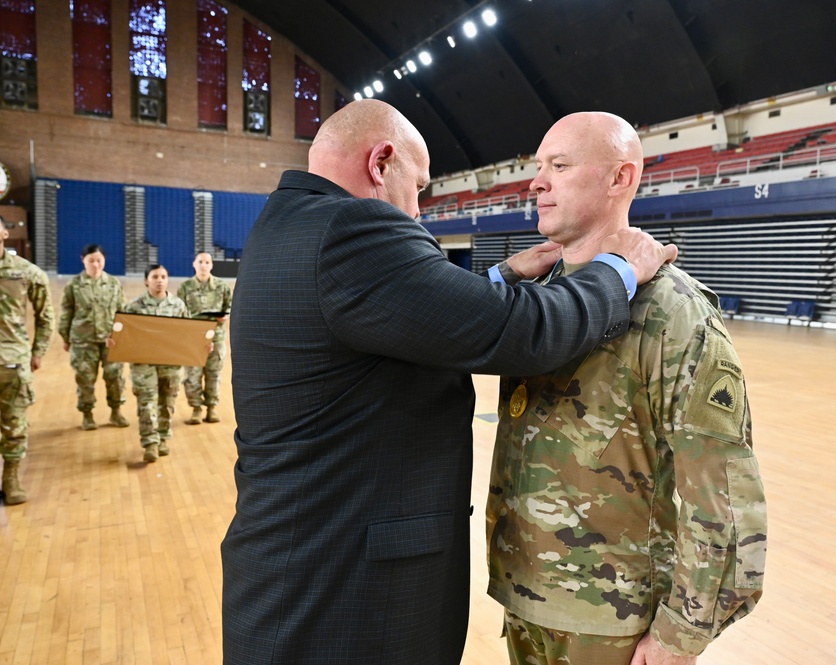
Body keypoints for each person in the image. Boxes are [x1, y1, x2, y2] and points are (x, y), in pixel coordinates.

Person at [221, 99, 677, 665]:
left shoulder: (290, 223)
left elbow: (385, 319)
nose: (417, 209)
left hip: (296, 568)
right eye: (419, 186)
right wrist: (620, 270)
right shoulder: (351, 227)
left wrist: (500, 277)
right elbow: (522, 331)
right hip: (343, 594)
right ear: (381, 162)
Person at [485, 112, 767, 665]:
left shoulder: (672, 311)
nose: (536, 181)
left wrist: (682, 634)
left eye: (559, 166)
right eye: (538, 167)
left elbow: (724, 494)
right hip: (525, 598)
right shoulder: (536, 298)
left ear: (621, 179)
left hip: (613, 622)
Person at [0, 224, 53, 505]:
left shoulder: (27, 273)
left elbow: (46, 316)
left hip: (13, 362)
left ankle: (11, 478)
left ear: (4, 233)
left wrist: (38, 351)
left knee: (14, 424)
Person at [122, 265, 189, 463]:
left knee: (167, 402)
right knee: (146, 402)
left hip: (170, 363)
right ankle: (150, 442)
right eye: (155, 277)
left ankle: (163, 438)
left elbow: (187, 334)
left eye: (163, 276)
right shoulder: (134, 306)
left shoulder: (178, 305)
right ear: (146, 281)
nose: (159, 280)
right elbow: (125, 333)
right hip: (144, 363)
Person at [58, 244, 129, 431]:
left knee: (115, 377)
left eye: (99, 260)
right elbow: (66, 311)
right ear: (83, 260)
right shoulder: (74, 285)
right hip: (83, 340)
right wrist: (65, 337)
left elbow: (123, 312)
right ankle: (87, 415)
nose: (96, 265)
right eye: (91, 261)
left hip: (110, 340)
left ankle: (116, 412)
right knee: (85, 379)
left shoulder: (114, 283)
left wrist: (123, 337)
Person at [177, 252, 232, 425]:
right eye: (200, 262)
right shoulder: (185, 287)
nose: (203, 265)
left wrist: (226, 315)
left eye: (207, 262)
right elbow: (179, 310)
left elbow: (229, 306)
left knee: (213, 374)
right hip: (192, 338)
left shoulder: (222, 286)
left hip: (216, 337)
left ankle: (211, 408)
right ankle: (196, 409)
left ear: (211, 265)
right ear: (194, 264)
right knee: (192, 376)